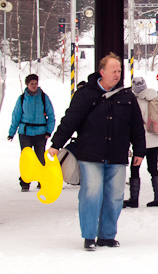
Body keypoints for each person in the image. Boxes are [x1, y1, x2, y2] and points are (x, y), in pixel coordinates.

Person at [48, 53, 146, 251]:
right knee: (91, 194)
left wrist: (139, 150)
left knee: (115, 196)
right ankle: (89, 236)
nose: (117, 75)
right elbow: (70, 120)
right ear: (102, 72)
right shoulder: (86, 94)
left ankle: (107, 236)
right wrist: (56, 144)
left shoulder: (127, 96)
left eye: (119, 71)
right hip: (90, 155)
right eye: (113, 71)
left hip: (117, 155)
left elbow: (136, 126)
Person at [8, 73, 55, 192]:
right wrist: (11, 132)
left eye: (35, 83)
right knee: (27, 159)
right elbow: (16, 116)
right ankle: (25, 182)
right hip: (25, 133)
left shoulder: (44, 98)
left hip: (40, 133)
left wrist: (49, 131)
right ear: (27, 85)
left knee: (40, 157)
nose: (34, 86)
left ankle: (41, 180)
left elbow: (51, 115)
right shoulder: (22, 98)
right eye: (31, 84)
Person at [124, 77, 158, 208]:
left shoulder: (137, 103)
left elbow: (134, 124)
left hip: (143, 140)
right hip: (156, 138)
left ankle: (134, 199)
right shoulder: (155, 99)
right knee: (152, 168)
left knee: (135, 168)